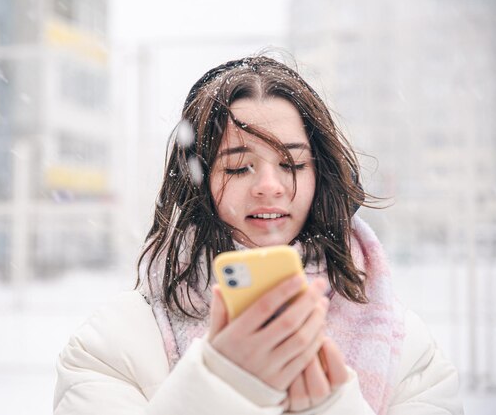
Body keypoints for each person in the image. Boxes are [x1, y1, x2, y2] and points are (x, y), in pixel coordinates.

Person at [53, 55, 463, 414]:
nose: (270, 185)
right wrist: (220, 387)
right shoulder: (112, 347)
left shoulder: (405, 349)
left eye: (292, 164)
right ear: (198, 185)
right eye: (237, 166)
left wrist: (329, 407)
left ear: (322, 177)